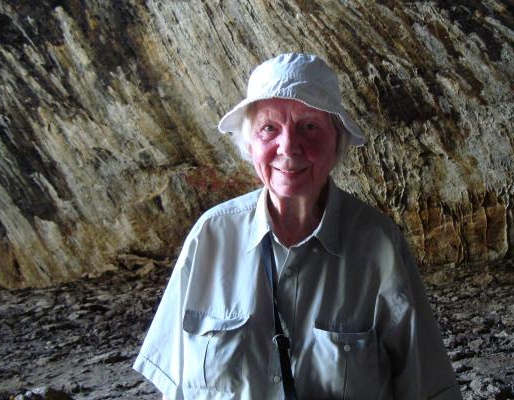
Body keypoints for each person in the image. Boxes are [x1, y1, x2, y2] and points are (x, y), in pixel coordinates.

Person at [133, 53, 461, 400]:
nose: (288, 147)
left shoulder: (378, 245)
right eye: (269, 128)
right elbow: (173, 383)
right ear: (249, 145)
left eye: (308, 126)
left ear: (337, 142)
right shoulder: (211, 236)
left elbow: (426, 388)